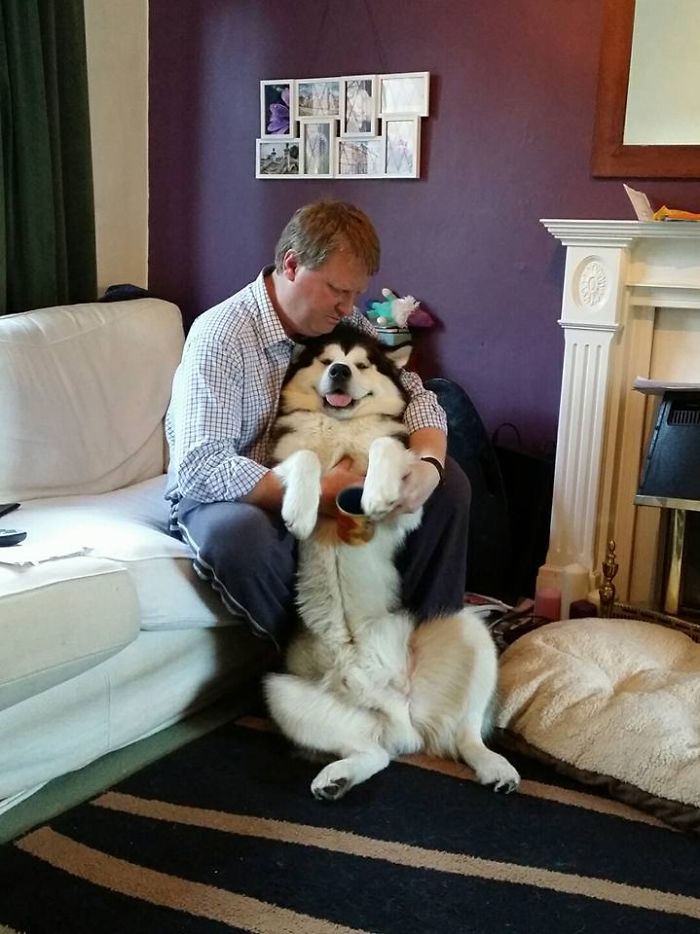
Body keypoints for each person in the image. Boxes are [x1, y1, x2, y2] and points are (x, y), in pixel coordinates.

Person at [165, 200, 471, 648]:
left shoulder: (343, 319)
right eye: (336, 289)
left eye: (354, 294)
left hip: (331, 471)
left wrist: (428, 465)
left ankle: (424, 654)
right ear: (292, 265)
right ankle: (309, 662)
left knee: (452, 485)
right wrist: (324, 491)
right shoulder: (221, 336)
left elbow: (411, 393)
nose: (348, 306)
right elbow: (201, 468)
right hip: (240, 495)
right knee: (240, 539)